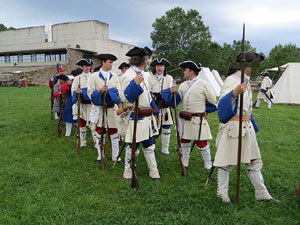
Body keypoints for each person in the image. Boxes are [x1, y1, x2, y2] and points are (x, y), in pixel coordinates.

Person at [213, 52, 279, 203]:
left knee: (254, 161)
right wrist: (234, 93)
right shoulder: (232, 80)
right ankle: (222, 194)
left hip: (246, 126)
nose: (257, 66)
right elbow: (222, 107)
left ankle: (261, 193)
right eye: (255, 63)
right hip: (233, 127)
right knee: (226, 162)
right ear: (246, 65)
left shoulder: (247, 81)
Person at [119, 46, 161, 181]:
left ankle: (154, 172)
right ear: (142, 60)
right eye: (147, 58)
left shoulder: (144, 74)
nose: (148, 60)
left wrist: (155, 110)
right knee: (133, 147)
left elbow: (147, 96)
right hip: (135, 117)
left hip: (147, 116)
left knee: (149, 145)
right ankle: (128, 171)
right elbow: (126, 98)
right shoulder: (129, 75)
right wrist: (135, 84)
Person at [168, 60, 217, 170]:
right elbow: (176, 103)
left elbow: (213, 103)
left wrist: (203, 111)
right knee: (184, 141)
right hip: (185, 119)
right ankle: (185, 162)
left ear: (191, 71)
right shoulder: (183, 85)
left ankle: (208, 163)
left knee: (202, 143)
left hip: (197, 120)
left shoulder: (204, 85)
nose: (184, 72)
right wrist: (173, 94)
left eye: (185, 70)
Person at [87, 54, 122, 164]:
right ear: (103, 62)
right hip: (100, 108)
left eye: (112, 62)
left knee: (114, 132)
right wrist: (100, 91)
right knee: (99, 132)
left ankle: (115, 156)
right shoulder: (94, 76)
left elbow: (118, 92)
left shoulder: (114, 76)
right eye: (109, 62)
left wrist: (109, 92)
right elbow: (90, 93)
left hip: (111, 109)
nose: (111, 64)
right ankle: (99, 155)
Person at [148, 58, 174, 155]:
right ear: (155, 67)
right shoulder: (149, 78)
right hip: (154, 107)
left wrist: (161, 94)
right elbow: (148, 92)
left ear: (164, 67)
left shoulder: (169, 78)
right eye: (158, 66)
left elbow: (170, 91)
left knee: (166, 127)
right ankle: (152, 146)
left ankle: (165, 149)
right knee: (153, 128)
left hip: (165, 107)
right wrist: (153, 95)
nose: (160, 68)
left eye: (162, 66)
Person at [71, 59, 95, 149]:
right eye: (85, 66)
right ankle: (83, 142)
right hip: (81, 105)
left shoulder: (93, 77)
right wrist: (77, 92)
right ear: (82, 67)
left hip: (92, 105)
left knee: (93, 124)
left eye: (89, 66)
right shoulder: (77, 79)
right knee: (82, 124)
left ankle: (96, 143)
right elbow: (73, 90)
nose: (88, 68)